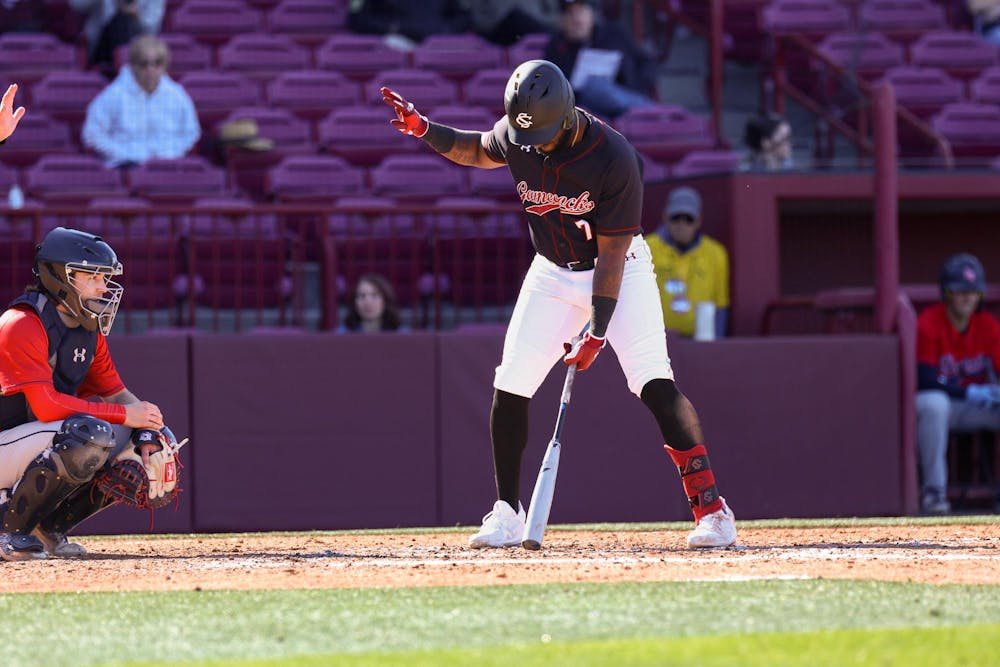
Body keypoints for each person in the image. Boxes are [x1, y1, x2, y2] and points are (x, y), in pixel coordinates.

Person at [380, 59, 737, 549]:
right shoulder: (521, 132)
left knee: (653, 381)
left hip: (619, 271)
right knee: (511, 383)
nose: (534, 144)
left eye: (544, 134)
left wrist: (596, 331)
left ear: (567, 114)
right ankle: (507, 512)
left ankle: (713, 510)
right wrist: (425, 129)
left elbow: (611, 257)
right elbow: (477, 150)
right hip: (551, 270)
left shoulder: (614, 157)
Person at [0, 227, 174, 561]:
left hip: (31, 443)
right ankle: (10, 533)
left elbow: (117, 395)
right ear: (61, 277)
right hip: (7, 440)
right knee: (91, 434)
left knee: (139, 441)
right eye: (93, 277)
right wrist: (127, 416)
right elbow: (47, 407)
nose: (103, 287)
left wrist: (149, 433)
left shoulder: (88, 329)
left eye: (104, 278)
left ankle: (45, 529)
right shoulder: (21, 322)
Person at [915, 253, 1000, 514]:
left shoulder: (987, 325)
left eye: (973, 292)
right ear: (947, 293)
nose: (967, 298)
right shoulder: (929, 322)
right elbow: (926, 378)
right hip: (944, 405)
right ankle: (934, 494)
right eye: (960, 291)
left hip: (976, 407)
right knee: (933, 404)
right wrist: (969, 391)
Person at [82, 35, 200, 168]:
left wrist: (171, 153)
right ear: (132, 65)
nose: (151, 69)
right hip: (126, 166)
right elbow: (92, 135)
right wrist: (123, 153)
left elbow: (191, 132)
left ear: (165, 65)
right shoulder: (112, 96)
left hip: (169, 166)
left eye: (157, 63)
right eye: (144, 63)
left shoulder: (177, 95)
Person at [542, 0, 657, 119]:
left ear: (591, 14)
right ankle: (649, 110)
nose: (577, 19)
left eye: (581, 11)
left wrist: (637, 87)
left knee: (601, 89)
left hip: (624, 98)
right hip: (583, 108)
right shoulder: (557, 47)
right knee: (594, 87)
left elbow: (647, 63)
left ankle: (642, 110)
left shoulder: (615, 35)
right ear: (561, 20)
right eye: (570, 13)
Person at [646, 187, 729, 340]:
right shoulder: (646, 248)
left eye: (688, 219)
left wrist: (716, 347)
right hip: (655, 340)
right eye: (676, 217)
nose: (681, 224)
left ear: (698, 221)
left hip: (699, 341)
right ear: (665, 217)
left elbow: (720, 306)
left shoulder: (715, 253)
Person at [70, 0, 165, 74]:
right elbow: (76, 4)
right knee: (120, 21)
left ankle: (127, 70)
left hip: (138, 50)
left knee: (123, 21)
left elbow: (151, 28)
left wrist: (136, 16)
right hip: (100, 46)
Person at [347, 0, 471, 49]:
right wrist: (389, 27)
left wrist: (446, 30)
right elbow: (356, 19)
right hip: (399, 41)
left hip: (437, 42)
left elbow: (464, 17)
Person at [466, 0, 559, 46]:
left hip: (536, 28)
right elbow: (478, 18)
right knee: (516, 17)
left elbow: (554, 15)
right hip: (498, 32)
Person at [338, 273, 403, 333]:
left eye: (374, 295)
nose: (368, 302)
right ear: (354, 302)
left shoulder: (402, 334)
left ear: (385, 300)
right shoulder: (341, 334)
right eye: (362, 296)